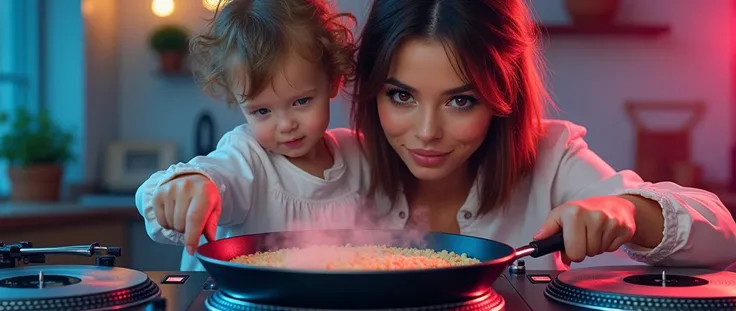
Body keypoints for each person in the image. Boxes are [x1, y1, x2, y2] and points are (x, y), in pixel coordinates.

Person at [351, 0, 736, 270]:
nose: (427, 132)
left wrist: (630, 211)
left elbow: (724, 237)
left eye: (461, 101)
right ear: (372, 91)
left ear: (505, 95)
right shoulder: (332, 167)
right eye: (402, 96)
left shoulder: (551, 157)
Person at [135, 0, 363, 271]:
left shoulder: (358, 152)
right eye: (262, 110)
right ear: (237, 100)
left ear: (333, 82)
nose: (285, 124)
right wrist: (190, 183)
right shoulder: (247, 155)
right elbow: (217, 172)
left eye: (301, 101)